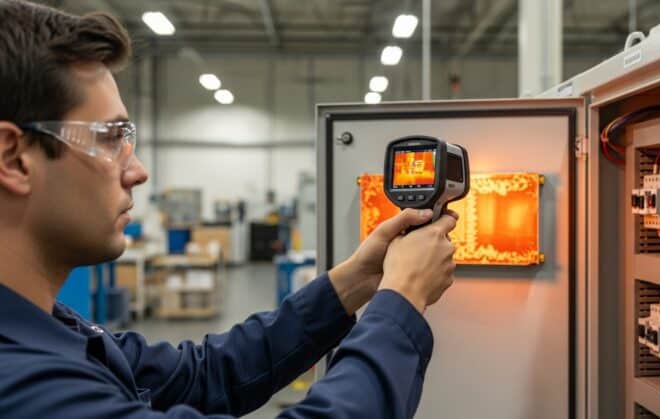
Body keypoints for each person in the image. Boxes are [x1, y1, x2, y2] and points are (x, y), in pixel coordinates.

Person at [0, 1, 458, 418]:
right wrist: (400, 302)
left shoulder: (59, 332)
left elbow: (203, 377)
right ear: (13, 157)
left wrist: (355, 281)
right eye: (108, 138)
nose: (137, 171)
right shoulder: (26, 385)